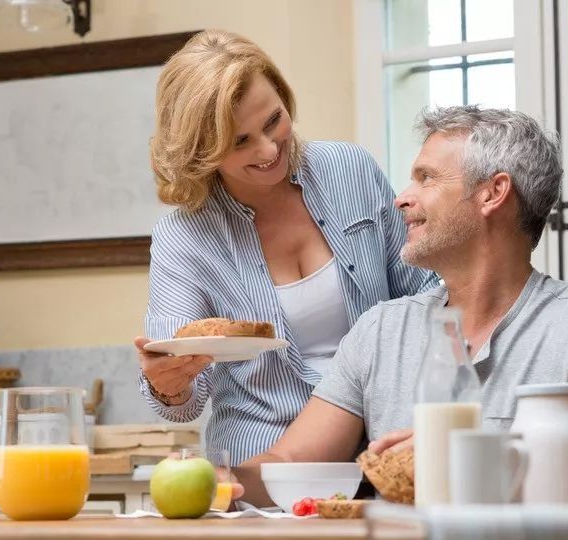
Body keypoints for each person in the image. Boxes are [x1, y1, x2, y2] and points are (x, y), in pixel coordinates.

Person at [237, 106, 568, 503]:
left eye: (426, 178)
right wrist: (219, 479)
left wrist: (471, 463)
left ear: (493, 193)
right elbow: (289, 463)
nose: (401, 198)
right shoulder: (379, 331)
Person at [134, 30, 436, 465]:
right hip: (263, 466)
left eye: (273, 120)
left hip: (385, 448)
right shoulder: (183, 238)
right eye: (240, 142)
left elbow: (422, 297)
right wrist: (168, 382)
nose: (269, 148)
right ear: (203, 151)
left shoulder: (349, 169)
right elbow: (183, 403)